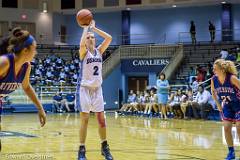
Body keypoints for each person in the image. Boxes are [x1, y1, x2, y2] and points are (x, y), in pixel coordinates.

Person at [0, 28, 46, 150]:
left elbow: (26, 86)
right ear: (25, 50)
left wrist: (40, 108)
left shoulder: (26, 66)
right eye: (34, 49)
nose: (35, 52)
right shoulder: (5, 63)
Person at [76, 20, 113, 160]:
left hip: (97, 89)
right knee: (84, 119)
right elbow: (81, 44)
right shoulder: (83, 52)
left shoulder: (99, 51)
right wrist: (85, 29)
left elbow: (109, 38)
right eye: (88, 37)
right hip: (84, 89)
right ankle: (81, 149)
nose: (90, 38)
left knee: (102, 120)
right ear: (85, 40)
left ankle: (104, 147)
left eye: (92, 37)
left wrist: (94, 28)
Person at [211, 59, 240, 160]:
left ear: (222, 70)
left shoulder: (232, 78)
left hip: (238, 104)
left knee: (239, 126)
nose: (213, 71)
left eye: (215, 69)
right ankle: (231, 152)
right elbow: (213, 92)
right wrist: (218, 104)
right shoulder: (214, 79)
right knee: (226, 127)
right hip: (227, 105)